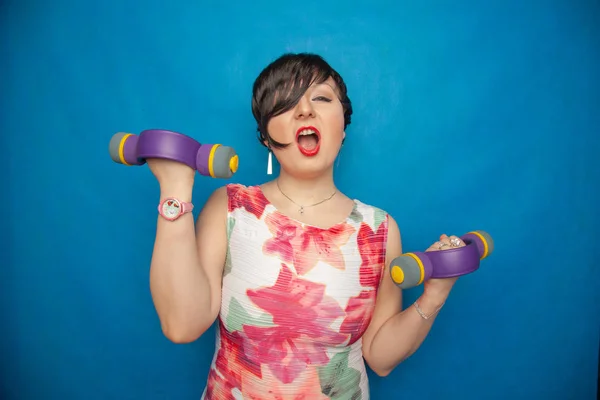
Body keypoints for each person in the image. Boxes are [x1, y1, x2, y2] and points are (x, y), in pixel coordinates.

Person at [147, 53, 464, 399]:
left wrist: (434, 296)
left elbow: (380, 357)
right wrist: (175, 189)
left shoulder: (379, 230)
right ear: (266, 136)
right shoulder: (232, 207)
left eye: (322, 98)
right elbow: (181, 325)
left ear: (343, 126)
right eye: (287, 103)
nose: (305, 110)